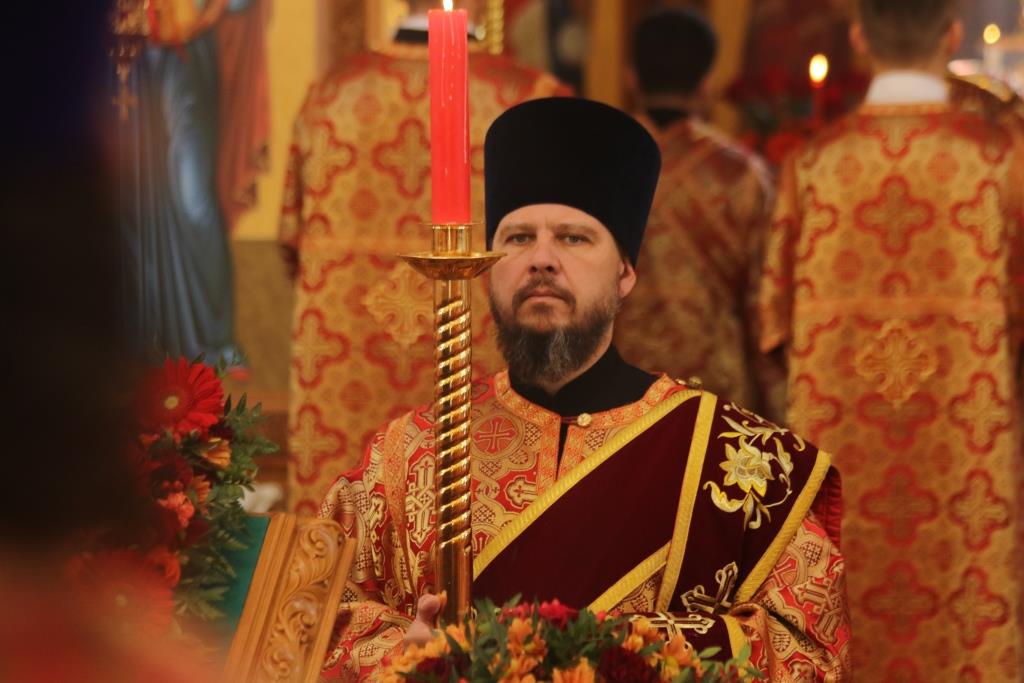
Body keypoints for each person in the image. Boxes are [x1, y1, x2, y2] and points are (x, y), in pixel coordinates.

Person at [319, 97, 851, 681]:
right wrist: (404, 653)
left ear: (625, 272)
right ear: (488, 268)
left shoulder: (738, 459)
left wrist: (615, 653)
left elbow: (807, 647)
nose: (541, 259)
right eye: (518, 238)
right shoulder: (409, 454)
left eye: (574, 238)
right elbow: (323, 618)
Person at [759, 0, 1024, 677]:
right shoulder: (1001, 159)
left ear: (858, 39)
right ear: (953, 34)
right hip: (968, 460)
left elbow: (773, 322)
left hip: (842, 460)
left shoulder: (811, 165)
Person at [279, 0, 569, 514]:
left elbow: (288, 238)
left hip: (350, 352)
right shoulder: (532, 99)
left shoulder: (330, 94)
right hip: (482, 342)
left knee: (337, 539)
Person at [616, 8, 781, 418]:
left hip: (613, 396)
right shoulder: (742, 174)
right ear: (707, 83)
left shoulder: (599, 162)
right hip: (716, 396)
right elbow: (765, 303)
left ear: (630, 78)